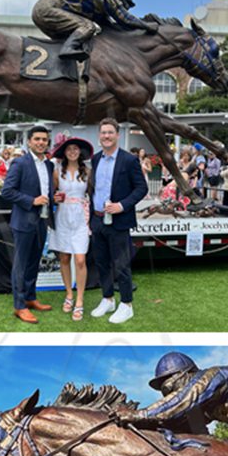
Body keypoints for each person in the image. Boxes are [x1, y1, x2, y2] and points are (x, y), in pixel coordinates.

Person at [89, 118, 148, 325]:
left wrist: (122, 205)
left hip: (119, 221)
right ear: (99, 136)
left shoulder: (129, 160)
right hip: (97, 220)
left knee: (121, 265)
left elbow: (142, 188)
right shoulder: (95, 159)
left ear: (117, 135)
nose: (106, 136)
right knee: (102, 263)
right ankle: (107, 299)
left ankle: (126, 304)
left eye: (110, 133)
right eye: (103, 133)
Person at [1, 125, 55, 324]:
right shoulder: (20, 163)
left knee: (34, 262)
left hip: (42, 220)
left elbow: (45, 190)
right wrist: (32, 201)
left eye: (44, 139)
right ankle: (20, 306)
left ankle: (31, 298)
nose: (41, 143)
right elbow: (7, 191)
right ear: (29, 141)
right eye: (37, 139)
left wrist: (53, 197)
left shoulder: (49, 165)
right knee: (21, 265)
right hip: (23, 222)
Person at [32, 0, 156, 60]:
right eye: (125, 5)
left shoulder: (99, 9)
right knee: (88, 26)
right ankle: (68, 49)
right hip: (47, 8)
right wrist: (147, 26)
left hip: (43, 11)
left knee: (72, 36)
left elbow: (111, 27)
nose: (125, 9)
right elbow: (126, 19)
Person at [48, 136, 93, 322]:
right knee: (64, 257)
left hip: (81, 217)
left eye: (76, 149)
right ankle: (69, 294)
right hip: (63, 216)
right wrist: (54, 198)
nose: (73, 151)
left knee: (80, 259)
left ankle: (80, 300)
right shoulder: (58, 171)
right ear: (64, 152)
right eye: (69, 149)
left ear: (80, 152)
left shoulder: (88, 171)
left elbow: (93, 193)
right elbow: (51, 193)